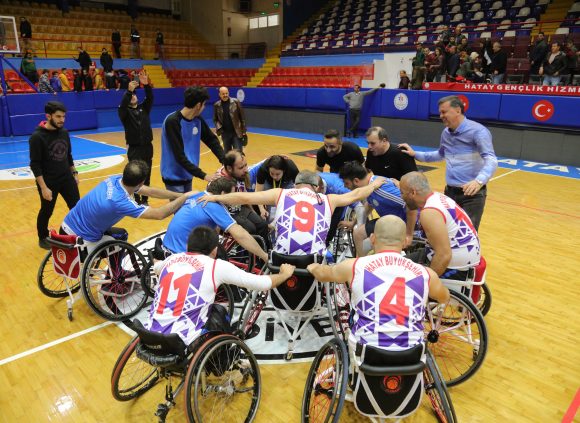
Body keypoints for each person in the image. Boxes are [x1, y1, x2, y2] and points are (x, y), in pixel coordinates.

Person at [307, 215, 449, 352]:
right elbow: (444, 297)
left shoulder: (354, 266)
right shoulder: (427, 273)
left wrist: (313, 267)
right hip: (412, 354)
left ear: (372, 238)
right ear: (406, 242)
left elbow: (325, 274)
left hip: (367, 353)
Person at [145, 225, 295, 347]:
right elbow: (263, 283)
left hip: (149, 334)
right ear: (215, 249)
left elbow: (157, 266)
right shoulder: (216, 266)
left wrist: (156, 261)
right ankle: (224, 363)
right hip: (181, 341)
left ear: (188, 245)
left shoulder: (172, 259)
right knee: (219, 311)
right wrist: (284, 274)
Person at [199, 170, 387, 256]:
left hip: (281, 258)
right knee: (335, 262)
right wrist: (375, 184)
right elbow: (357, 194)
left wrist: (216, 198)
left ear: (296, 185)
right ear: (317, 186)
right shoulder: (328, 199)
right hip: (313, 260)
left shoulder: (281, 193)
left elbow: (244, 198)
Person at [399, 95, 498, 231]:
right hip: (450, 192)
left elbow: (491, 159)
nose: (441, 115)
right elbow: (440, 155)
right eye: (440, 112)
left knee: (466, 234)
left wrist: (478, 181)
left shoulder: (478, 132)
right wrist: (415, 154)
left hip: (472, 196)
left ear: (457, 110)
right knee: (447, 232)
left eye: (444, 112)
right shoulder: (446, 133)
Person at [62, 160, 195, 254]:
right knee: (121, 236)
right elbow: (159, 214)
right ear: (141, 181)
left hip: (65, 228)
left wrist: (179, 195)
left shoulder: (115, 179)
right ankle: (112, 283)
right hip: (79, 241)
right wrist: (185, 197)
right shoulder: (120, 201)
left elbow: (150, 191)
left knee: (110, 231)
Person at [163, 177, 268, 261]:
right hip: (181, 255)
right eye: (232, 194)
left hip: (167, 246)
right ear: (222, 194)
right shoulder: (214, 206)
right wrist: (264, 256)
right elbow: (240, 234)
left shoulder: (197, 194)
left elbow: (214, 228)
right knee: (223, 263)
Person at [400, 172, 481, 277]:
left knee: (399, 275)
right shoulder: (438, 197)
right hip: (466, 255)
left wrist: (426, 284)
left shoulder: (429, 213)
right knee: (398, 264)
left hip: (456, 267)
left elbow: (444, 255)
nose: (401, 197)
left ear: (413, 193)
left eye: (402, 192)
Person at [29, 101, 80, 249]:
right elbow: (35, 164)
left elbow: (68, 155)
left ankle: (78, 232)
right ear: (48, 116)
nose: (62, 120)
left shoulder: (64, 132)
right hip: (48, 182)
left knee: (77, 207)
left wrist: (74, 172)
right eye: (58, 116)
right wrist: (44, 187)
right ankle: (43, 236)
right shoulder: (37, 137)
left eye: (64, 116)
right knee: (47, 210)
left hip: (66, 178)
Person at [339, 161, 415, 257]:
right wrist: (353, 222)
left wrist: (409, 234)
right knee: (359, 233)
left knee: (360, 235)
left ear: (356, 181)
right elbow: (369, 204)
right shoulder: (370, 186)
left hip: (405, 223)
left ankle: (364, 265)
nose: (345, 186)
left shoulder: (382, 190)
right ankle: (364, 263)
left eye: (346, 183)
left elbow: (412, 205)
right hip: (389, 221)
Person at [161, 85, 225, 192]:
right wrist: (204, 175)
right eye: (204, 104)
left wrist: (224, 161)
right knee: (179, 208)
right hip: (174, 177)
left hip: (188, 174)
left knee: (186, 207)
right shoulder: (173, 121)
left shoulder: (197, 120)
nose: (204, 107)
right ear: (198, 105)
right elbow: (179, 156)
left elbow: (211, 140)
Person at [212, 151, 269, 240]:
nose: (246, 169)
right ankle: (251, 252)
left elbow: (259, 165)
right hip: (227, 213)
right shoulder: (218, 181)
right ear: (229, 168)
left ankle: (267, 252)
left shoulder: (238, 172)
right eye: (241, 167)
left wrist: (274, 157)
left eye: (246, 165)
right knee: (250, 229)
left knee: (262, 225)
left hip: (239, 207)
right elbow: (214, 209)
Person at [118, 71, 153, 205]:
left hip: (147, 147)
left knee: (147, 173)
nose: (133, 96)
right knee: (135, 173)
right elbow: (122, 105)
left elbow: (150, 98)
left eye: (134, 95)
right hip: (134, 148)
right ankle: (136, 198)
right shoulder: (124, 113)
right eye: (130, 96)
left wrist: (146, 85)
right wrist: (129, 90)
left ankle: (145, 199)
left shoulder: (144, 108)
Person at [317, 171, 366, 247]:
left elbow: (360, 208)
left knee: (331, 223)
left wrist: (355, 224)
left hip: (338, 201)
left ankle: (325, 243)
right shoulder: (311, 181)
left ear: (321, 188)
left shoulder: (341, 190)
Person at [213, 86, 247, 153]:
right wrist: (219, 128)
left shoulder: (236, 102)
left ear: (228, 93)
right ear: (219, 94)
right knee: (228, 154)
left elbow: (242, 117)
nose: (225, 95)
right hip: (225, 134)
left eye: (226, 93)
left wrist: (244, 131)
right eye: (223, 94)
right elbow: (215, 119)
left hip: (236, 133)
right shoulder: (216, 105)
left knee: (238, 153)